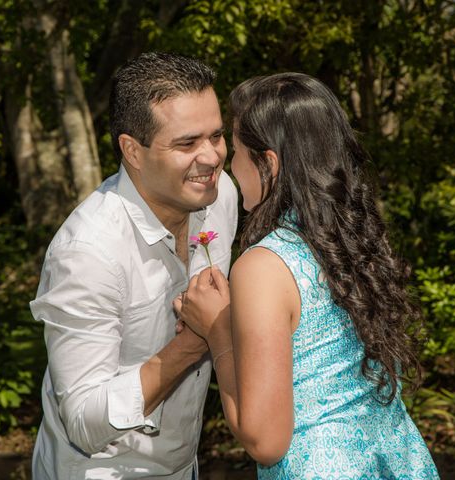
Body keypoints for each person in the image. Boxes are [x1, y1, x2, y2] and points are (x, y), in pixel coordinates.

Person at [175, 72, 440, 479]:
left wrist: (217, 330)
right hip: (397, 461)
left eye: (238, 153)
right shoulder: (350, 242)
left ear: (268, 163)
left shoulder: (265, 266)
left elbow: (266, 441)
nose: (229, 166)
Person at [29, 52, 238, 479]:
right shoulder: (88, 253)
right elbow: (84, 423)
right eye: (186, 143)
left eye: (217, 136)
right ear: (133, 151)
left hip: (185, 465)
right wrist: (195, 342)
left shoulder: (221, 198)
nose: (212, 157)